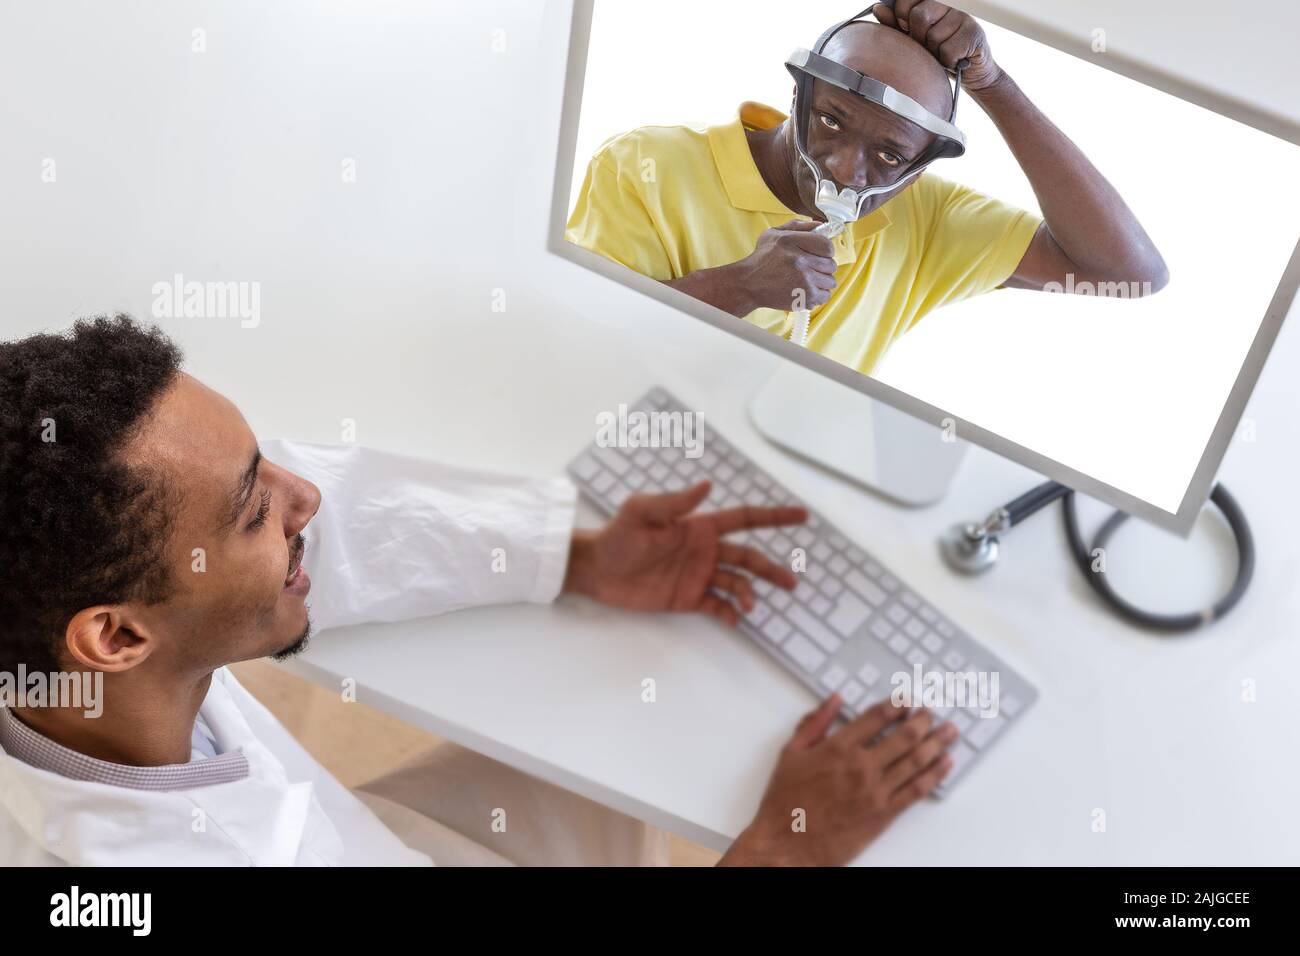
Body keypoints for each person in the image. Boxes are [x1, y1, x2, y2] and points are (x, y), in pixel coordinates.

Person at [0, 315, 959, 866]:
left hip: (380, 845)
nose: (306, 498)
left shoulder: (74, 634)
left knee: (617, 743)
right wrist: (790, 851)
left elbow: (324, 535)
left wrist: (582, 561)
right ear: (115, 640)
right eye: (256, 510)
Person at [565, 1, 1167, 375]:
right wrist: (739, 284)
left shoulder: (929, 221)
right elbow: (574, 346)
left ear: (922, 166)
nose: (848, 172)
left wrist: (995, 85)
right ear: (798, 94)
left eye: (889, 155)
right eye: (833, 121)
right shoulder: (645, 163)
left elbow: (1132, 272)